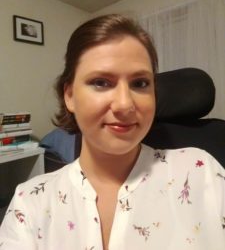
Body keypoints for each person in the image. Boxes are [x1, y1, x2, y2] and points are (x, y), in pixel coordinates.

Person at [0, 14, 225, 249]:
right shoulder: (30, 203)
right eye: (101, 82)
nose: (125, 104)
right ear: (69, 96)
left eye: (140, 84)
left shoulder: (201, 173)